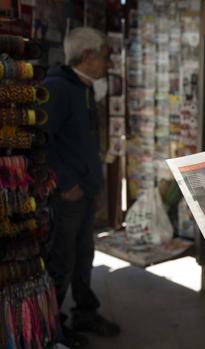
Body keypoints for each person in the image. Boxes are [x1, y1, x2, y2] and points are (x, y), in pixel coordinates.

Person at [42, 27, 120, 347]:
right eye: (105, 54)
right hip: (68, 195)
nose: (109, 62)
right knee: (62, 261)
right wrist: (65, 182)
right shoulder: (57, 89)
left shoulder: (84, 88)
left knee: (84, 256)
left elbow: (85, 143)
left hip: (85, 191)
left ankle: (85, 313)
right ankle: (51, 328)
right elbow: (41, 141)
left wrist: (94, 186)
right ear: (87, 57)